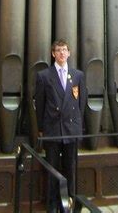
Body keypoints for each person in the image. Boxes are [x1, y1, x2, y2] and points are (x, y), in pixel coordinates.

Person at [34, 39, 86, 213]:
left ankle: (70, 201)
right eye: (58, 50)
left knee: (71, 167)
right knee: (52, 169)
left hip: (71, 128)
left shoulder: (77, 75)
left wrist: (78, 125)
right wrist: (41, 128)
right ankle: (52, 204)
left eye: (65, 50)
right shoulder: (44, 76)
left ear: (69, 53)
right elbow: (40, 104)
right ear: (53, 54)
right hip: (53, 128)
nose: (62, 53)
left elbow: (81, 103)